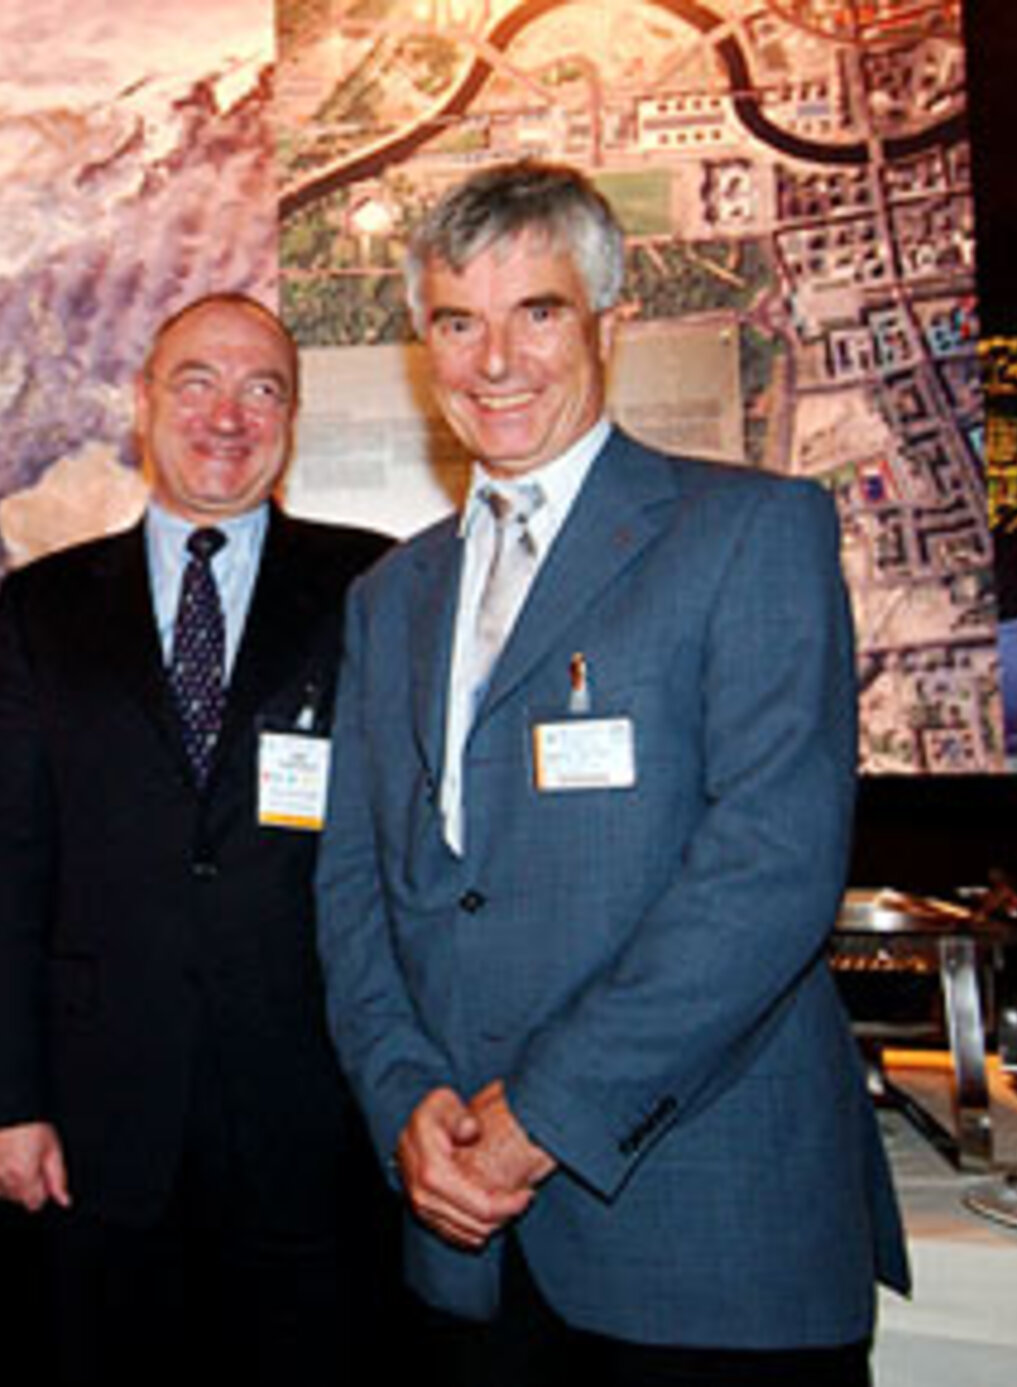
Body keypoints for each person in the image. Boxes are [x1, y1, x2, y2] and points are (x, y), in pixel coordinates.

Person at [314, 162, 910, 1385]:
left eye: (536, 312)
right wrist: (406, 1103)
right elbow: (357, 890)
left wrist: (532, 1123)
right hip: (467, 1251)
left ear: (609, 322)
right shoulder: (390, 598)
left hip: (707, 1245)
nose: (496, 361)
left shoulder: (751, 533)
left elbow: (770, 876)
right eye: (456, 323)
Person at [0, 293, 395, 1384]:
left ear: (292, 417)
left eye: (262, 388)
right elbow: (1, 863)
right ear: (143, 403)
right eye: (196, 381)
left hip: (316, 1112)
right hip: (100, 1121)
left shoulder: (375, 587)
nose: (226, 415)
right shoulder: (44, 606)